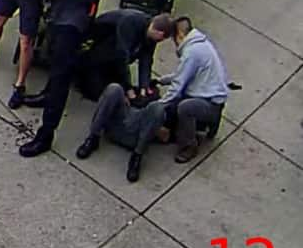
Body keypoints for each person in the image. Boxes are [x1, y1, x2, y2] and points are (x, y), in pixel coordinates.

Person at [19, 0, 115, 158]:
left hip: (74, 20)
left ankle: (46, 133)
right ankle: (46, 95)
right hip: (57, 9)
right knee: (52, 59)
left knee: (62, 73)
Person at [158, 16, 230, 163]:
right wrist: (161, 81)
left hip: (210, 103)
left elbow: (178, 84)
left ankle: (189, 147)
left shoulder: (192, 52)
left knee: (185, 107)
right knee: (178, 103)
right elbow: (183, 74)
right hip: (211, 96)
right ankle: (207, 124)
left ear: (180, 35)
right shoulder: (200, 44)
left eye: (174, 39)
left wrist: (159, 105)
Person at [75, 82, 168, 183]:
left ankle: (137, 156)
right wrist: (127, 92)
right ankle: (93, 137)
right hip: (120, 117)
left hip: (139, 127)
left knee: (158, 108)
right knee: (114, 88)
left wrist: (160, 126)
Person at [79, 10, 174, 102]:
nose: (159, 42)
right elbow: (121, 57)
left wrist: (144, 86)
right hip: (99, 47)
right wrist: (128, 87)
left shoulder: (150, 32)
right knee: (98, 92)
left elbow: (146, 59)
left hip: (114, 49)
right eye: (161, 39)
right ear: (159, 32)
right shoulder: (131, 23)